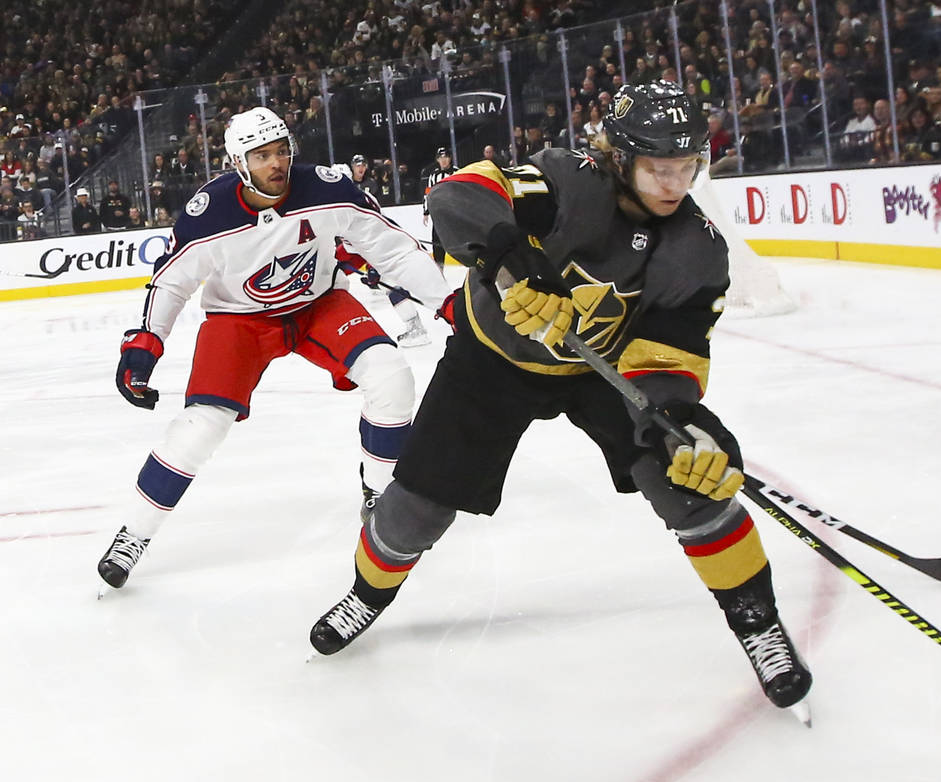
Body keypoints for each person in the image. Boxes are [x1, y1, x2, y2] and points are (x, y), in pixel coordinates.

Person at [307, 82, 813, 710]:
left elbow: (668, 356)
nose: (673, 184)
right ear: (619, 156)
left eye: (686, 168)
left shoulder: (698, 250)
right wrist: (511, 252)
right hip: (490, 361)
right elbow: (457, 195)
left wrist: (677, 415)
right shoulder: (564, 181)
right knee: (417, 507)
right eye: (658, 168)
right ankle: (367, 593)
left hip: (598, 373)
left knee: (684, 477)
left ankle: (758, 624)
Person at [96, 107, 452, 591]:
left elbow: (392, 249)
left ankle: (378, 491)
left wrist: (449, 301)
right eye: (262, 155)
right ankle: (133, 534)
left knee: (392, 374)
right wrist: (145, 345)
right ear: (239, 163)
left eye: (282, 150)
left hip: (318, 305)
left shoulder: (328, 189)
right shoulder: (211, 213)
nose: (276, 163)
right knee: (200, 428)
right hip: (238, 322)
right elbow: (172, 283)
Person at [420, 146, 455, 266]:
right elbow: (428, 194)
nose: (443, 160)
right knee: (437, 246)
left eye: (446, 157)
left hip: (455, 215)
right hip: (439, 216)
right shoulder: (433, 176)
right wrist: (426, 212)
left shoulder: (457, 173)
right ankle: (440, 271)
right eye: (441, 157)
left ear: (450, 158)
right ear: (437, 160)